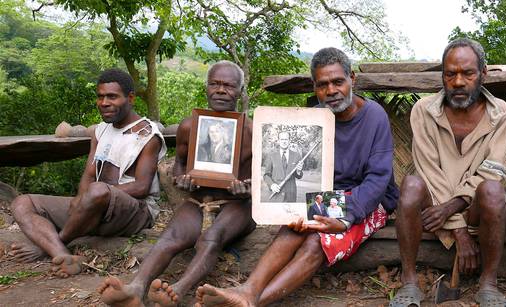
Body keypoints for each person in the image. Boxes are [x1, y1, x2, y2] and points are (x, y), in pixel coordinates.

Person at [195, 47, 399, 306]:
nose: (331, 90)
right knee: (295, 228)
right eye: (322, 85)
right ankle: (247, 290)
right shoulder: (314, 116)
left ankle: (250, 302)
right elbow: (309, 176)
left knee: (315, 241)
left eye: (338, 82)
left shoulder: (374, 116)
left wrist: (346, 219)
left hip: (368, 200)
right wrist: (291, 208)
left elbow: (379, 179)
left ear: (352, 79)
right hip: (328, 197)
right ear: (315, 87)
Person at [97, 60, 255, 307]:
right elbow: (180, 164)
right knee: (170, 237)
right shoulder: (190, 126)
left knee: (211, 238)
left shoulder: (252, 131)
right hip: (198, 198)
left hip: (237, 204)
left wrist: (247, 188)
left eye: (228, 85)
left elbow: (263, 180)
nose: (221, 90)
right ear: (206, 88)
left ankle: (179, 290)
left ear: (240, 91)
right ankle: (136, 288)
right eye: (214, 84)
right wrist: (182, 179)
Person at [390, 38, 506, 307]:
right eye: (450, 74)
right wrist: (459, 231)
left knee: (493, 190)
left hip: (473, 207)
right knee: (410, 184)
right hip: (434, 204)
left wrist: (451, 210)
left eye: (467, 73)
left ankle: (488, 284)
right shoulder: (423, 111)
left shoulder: (499, 112)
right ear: (443, 76)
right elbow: (429, 171)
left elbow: (493, 171)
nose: (458, 82)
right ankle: (409, 282)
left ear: (483, 73)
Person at [9, 69, 166, 278]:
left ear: (130, 98)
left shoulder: (147, 135)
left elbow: (141, 187)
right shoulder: (101, 130)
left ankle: (50, 245)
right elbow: (90, 173)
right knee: (21, 203)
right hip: (95, 206)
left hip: (134, 211)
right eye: (100, 96)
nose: (104, 102)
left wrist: (92, 196)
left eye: (112, 96)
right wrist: (81, 200)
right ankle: (62, 254)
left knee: (97, 190)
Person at [262, 131, 304, 202]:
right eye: (282, 139)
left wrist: (299, 171)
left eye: (286, 139)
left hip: (290, 196)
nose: (284, 141)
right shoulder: (271, 156)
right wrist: (272, 185)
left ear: (289, 140)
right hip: (275, 196)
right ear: (278, 141)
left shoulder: (296, 155)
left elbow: (299, 176)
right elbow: (266, 175)